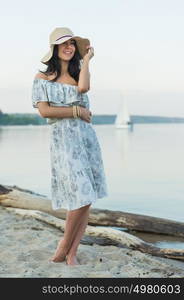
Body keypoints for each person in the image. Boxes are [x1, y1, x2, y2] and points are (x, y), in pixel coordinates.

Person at [31, 27, 108, 266]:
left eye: (72, 44)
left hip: (85, 139)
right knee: (79, 195)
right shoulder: (42, 78)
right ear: (54, 48)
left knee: (87, 197)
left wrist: (86, 60)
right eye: (63, 44)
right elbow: (45, 111)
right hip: (63, 141)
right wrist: (76, 111)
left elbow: (83, 88)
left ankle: (72, 252)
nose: (68, 47)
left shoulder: (77, 75)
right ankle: (64, 244)